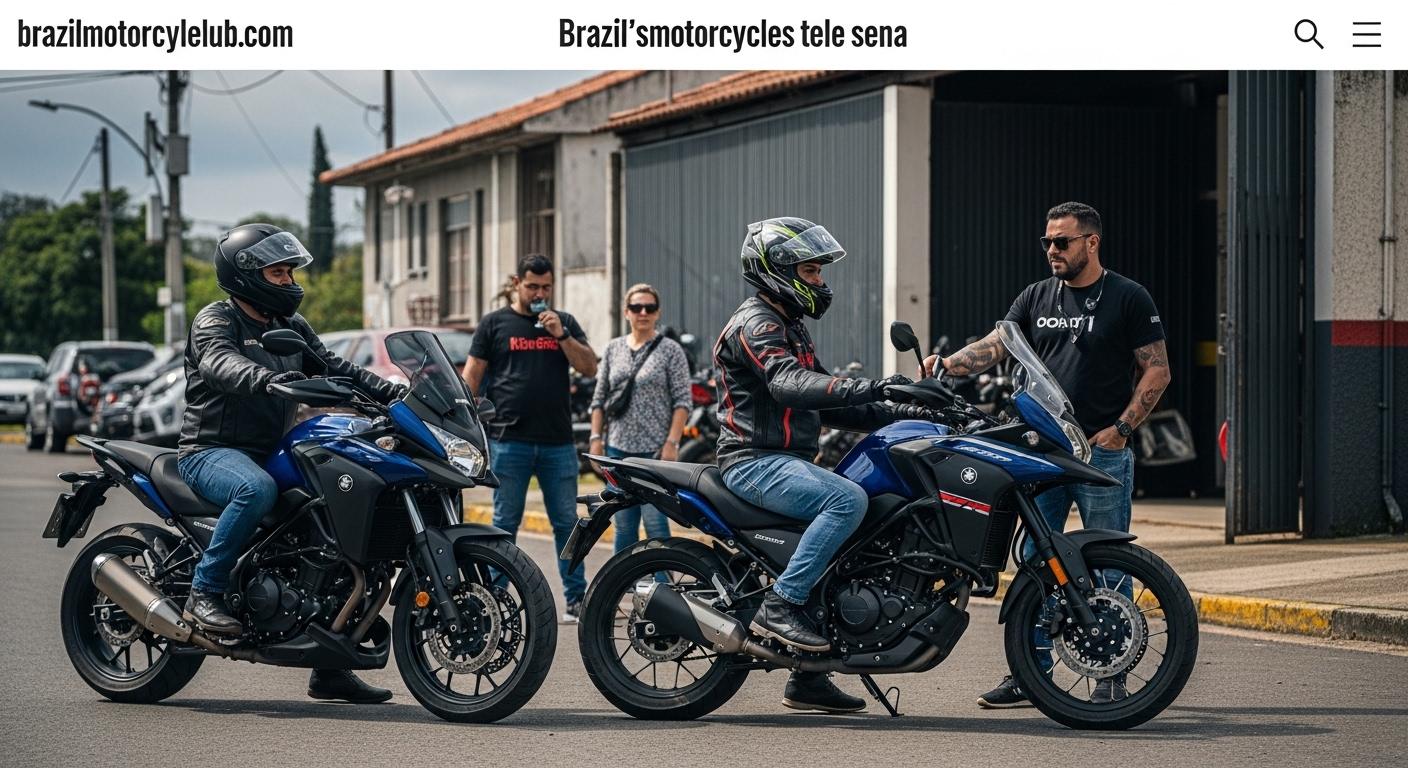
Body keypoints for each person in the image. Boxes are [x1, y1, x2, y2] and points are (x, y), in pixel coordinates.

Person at [921, 202, 1171, 708]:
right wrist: (946, 364)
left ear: (1091, 242)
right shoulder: (1036, 295)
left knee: (1108, 564)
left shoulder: (1127, 296)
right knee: (1037, 562)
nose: (1052, 250)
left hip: (1101, 452)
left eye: (1062, 241)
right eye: (1047, 242)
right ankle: (1029, 671)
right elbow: (998, 345)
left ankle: (1111, 674)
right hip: (1041, 452)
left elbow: (1157, 370)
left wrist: (1121, 429)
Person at [178, 223, 408, 704]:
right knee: (254, 490)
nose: (288, 280)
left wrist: (398, 395)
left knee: (336, 517)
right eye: (278, 272)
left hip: (271, 449)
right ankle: (205, 591)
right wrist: (264, 379)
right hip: (211, 451)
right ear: (246, 276)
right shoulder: (215, 320)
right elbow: (219, 362)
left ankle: (331, 663)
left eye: (288, 271)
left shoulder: (292, 328)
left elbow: (336, 368)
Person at [714, 217, 922, 714]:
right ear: (777, 270)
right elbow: (788, 384)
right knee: (845, 498)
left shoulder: (788, 324)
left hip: (785, 460)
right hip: (754, 460)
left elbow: (832, 404)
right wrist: (874, 384)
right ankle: (780, 604)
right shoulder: (758, 323)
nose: (821, 283)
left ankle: (808, 679)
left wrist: (909, 409)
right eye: (811, 272)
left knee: (862, 528)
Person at [462, 254, 599, 622]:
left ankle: (576, 597)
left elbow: (589, 366)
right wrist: (466, 423)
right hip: (510, 441)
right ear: (517, 283)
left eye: (546, 287)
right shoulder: (495, 324)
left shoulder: (563, 323)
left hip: (558, 442)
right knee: (505, 523)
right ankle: (494, 598)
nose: (540, 293)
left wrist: (561, 335)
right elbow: (472, 375)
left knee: (567, 523)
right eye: (533, 286)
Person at [588, 283, 690, 553]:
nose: (642, 312)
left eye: (649, 307)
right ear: (626, 312)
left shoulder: (671, 350)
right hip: (617, 450)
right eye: (636, 307)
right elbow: (598, 400)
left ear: (657, 312)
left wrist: (672, 443)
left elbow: (683, 401)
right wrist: (596, 439)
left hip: (654, 454)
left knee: (656, 524)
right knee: (623, 524)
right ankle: (622, 585)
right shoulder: (612, 349)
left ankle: (663, 586)